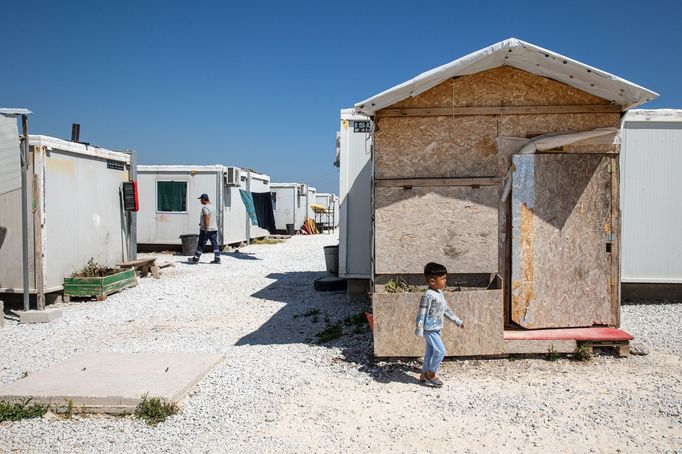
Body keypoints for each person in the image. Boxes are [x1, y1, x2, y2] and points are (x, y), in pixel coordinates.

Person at [415, 262, 464, 387]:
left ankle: (423, 375)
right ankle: (431, 374)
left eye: (445, 278)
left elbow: (446, 310)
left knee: (430, 353)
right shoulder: (427, 296)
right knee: (441, 351)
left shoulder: (440, 294)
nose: (445, 281)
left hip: (436, 329)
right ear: (432, 281)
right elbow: (421, 313)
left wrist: (457, 321)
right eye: (442, 279)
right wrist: (419, 329)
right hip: (429, 329)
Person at [189, 193, 221, 264]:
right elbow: (213, 217)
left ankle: (195, 259)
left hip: (206, 229)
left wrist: (206, 228)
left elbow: (207, 217)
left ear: (204, 199)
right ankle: (217, 258)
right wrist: (202, 222)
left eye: (201, 199)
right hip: (214, 228)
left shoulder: (205, 208)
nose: (200, 201)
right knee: (214, 243)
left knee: (201, 243)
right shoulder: (213, 206)